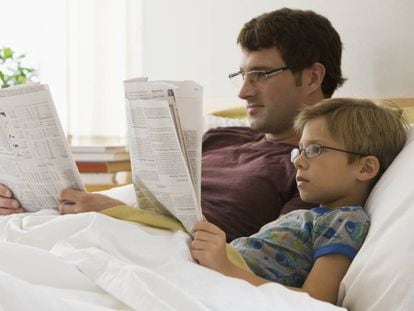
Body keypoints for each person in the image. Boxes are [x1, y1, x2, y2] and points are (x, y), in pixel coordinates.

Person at [0, 8, 345, 241]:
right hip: (109, 229)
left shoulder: (315, 166)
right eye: (242, 74)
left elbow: (269, 255)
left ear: (313, 77)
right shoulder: (218, 136)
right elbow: (138, 199)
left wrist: (120, 215)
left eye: (260, 74)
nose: (242, 91)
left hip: (162, 253)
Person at [190, 98, 409, 304]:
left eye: (315, 150)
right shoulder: (309, 216)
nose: (299, 162)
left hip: (228, 281)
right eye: (300, 150)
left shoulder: (346, 221)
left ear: (366, 168)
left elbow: (316, 299)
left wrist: (226, 268)